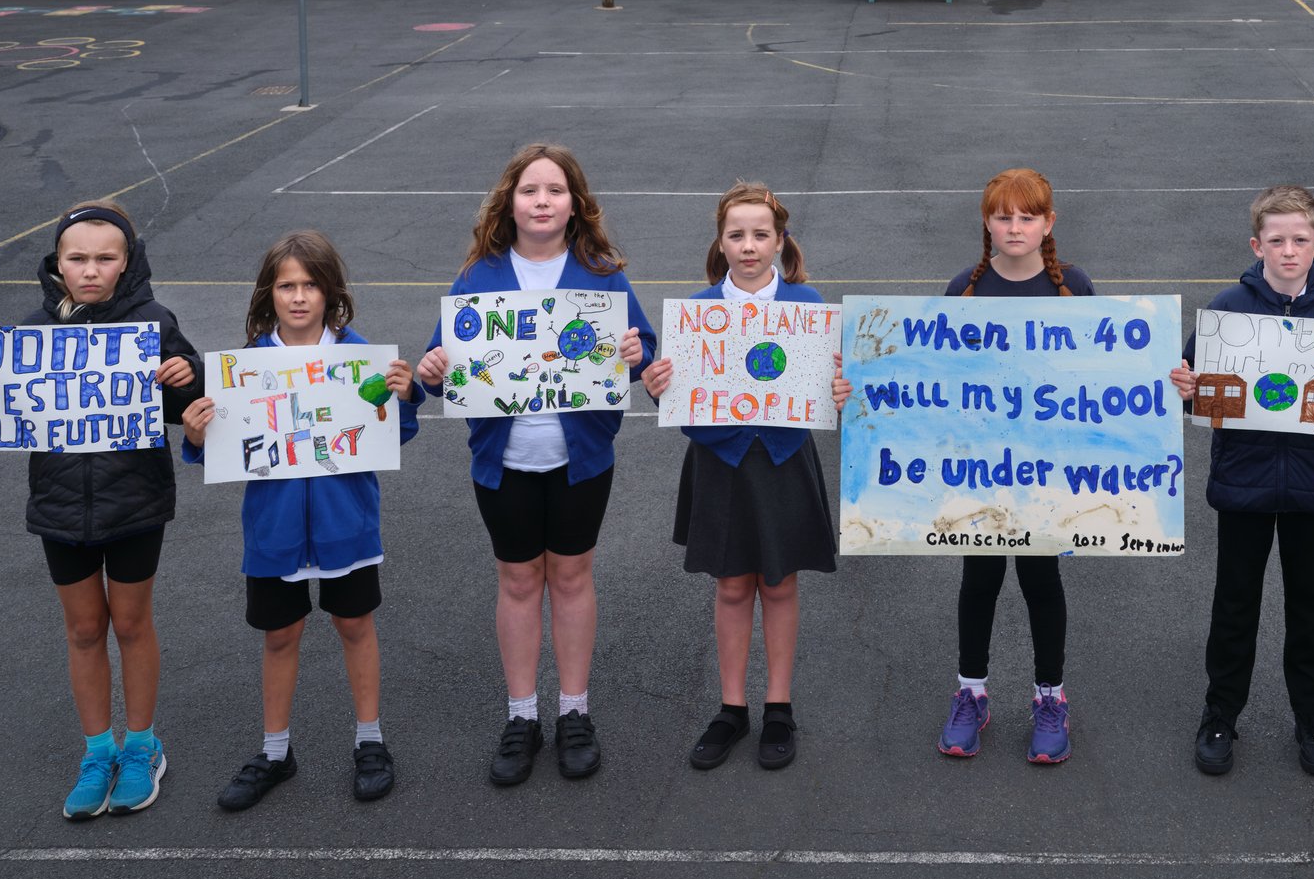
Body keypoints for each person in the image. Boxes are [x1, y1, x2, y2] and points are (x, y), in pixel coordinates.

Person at [0, 202, 201, 819]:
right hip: (59, 505)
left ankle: (141, 746)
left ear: (128, 262)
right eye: (79, 258)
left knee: (130, 624)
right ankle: (97, 750)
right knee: (82, 631)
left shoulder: (153, 322)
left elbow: (193, 406)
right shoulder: (30, 331)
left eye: (107, 258)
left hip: (135, 501)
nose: (92, 270)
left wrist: (186, 376)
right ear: (58, 263)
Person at [409, 143, 657, 786]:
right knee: (519, 582)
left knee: (572, 578)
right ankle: (522, 715)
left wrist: (635, 349)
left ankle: (574, 710)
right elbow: (440, 367)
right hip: (505, 460)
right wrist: (432, 369)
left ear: (575, 204)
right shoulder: (479, 278)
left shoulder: (602, 276)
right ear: (509, 203)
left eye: (554, 190)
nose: (541, 201)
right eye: (529, 190)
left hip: (581, 460)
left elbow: (644, 351)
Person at [180, 231, 418, 811]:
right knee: (280, 635)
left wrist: (404, 398)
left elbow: (395, 432)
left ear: (330, 291)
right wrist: (193, 435)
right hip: (274, 530)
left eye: (311, 284)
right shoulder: (244, 368)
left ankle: (370, 740)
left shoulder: (360, 355)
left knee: (354, 626)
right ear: (270, 293)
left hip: (347, 525)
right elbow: (215, 445)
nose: (299, 296)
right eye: (287, 285)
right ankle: (276, 751)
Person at [1167, 185, 1314, 778]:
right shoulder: (1226, 311)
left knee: (1311, 608)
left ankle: (1313, 715)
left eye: (1300, 240)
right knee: (1235, 605)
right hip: (1242, 485)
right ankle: (1220, 713)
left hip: (1313, 490)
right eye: (1276, 241)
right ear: (1256, 245)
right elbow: (1197, 394)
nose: (1288, 251)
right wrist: (1186, 388)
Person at [638, 183, 842, 772]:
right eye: (736, 235)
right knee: (730, 586)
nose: (748, 246)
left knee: (778, 583)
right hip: (721, 462)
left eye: (760, 235)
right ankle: (732, 708)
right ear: (720, 243)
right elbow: (679, 396)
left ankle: (778, 705)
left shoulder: (808, 304)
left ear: (779, 240)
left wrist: (839, 391)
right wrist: (660, 389)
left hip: (781, 459)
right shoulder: (696, 311)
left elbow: (826, 390)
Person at [918, 167, 1095, 762]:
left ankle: (1051, 698)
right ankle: (972, 692)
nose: (1013, 227)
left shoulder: (1072, 286)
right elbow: (936, 382)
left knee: (1042, 580)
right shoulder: (962, 290)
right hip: (981, 468)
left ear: (1049, 223)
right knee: (980, 579)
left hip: (1047, 470)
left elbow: (1104, 373)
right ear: (986, 222)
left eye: (1026, 216)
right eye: (1002, 216)